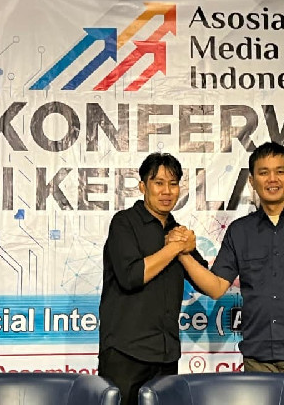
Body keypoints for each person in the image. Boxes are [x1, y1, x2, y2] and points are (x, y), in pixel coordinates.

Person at [177, 141, 284, 381]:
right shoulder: (240, 231)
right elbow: (216, 287)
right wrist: (182, 253)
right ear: (252, 180)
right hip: (258, 358)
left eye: (280, 171)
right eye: (264, 172)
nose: (272, 179)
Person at [98, 152, 206, 405]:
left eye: (173, 184)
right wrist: (174, 248)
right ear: (142, 186)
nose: (166, 191)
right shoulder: (124, 223)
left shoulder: (177, 231)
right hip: (125, 353)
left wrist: (185, 247)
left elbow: (204, 279)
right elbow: (131, 277)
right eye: (158, 183)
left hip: (166, 355)